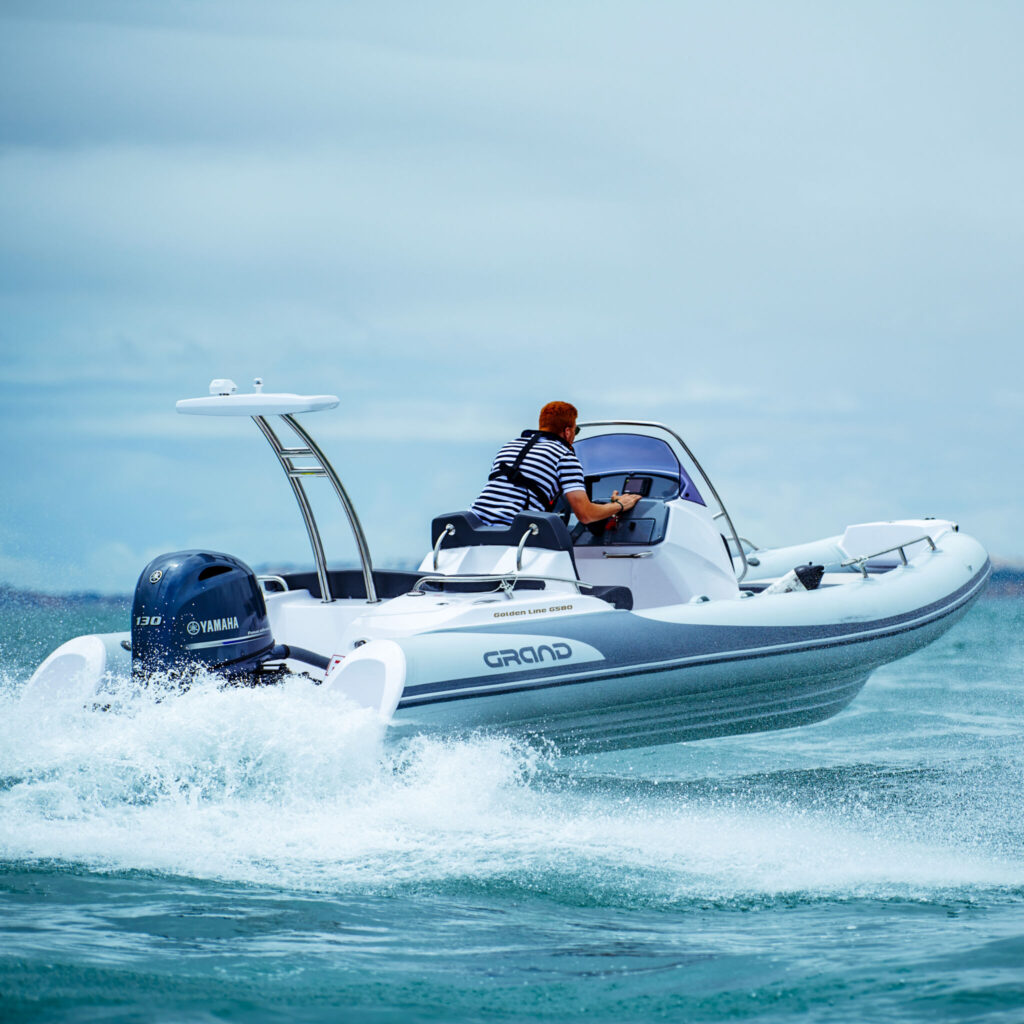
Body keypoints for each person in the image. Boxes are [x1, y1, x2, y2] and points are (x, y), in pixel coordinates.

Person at [470, 401, 641, 526]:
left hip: (472, 525)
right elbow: (585, 515)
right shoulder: (564, 455)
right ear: (567, 431)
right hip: (513, 531)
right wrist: (620, 505)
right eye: (575, 430)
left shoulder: (508, 447)